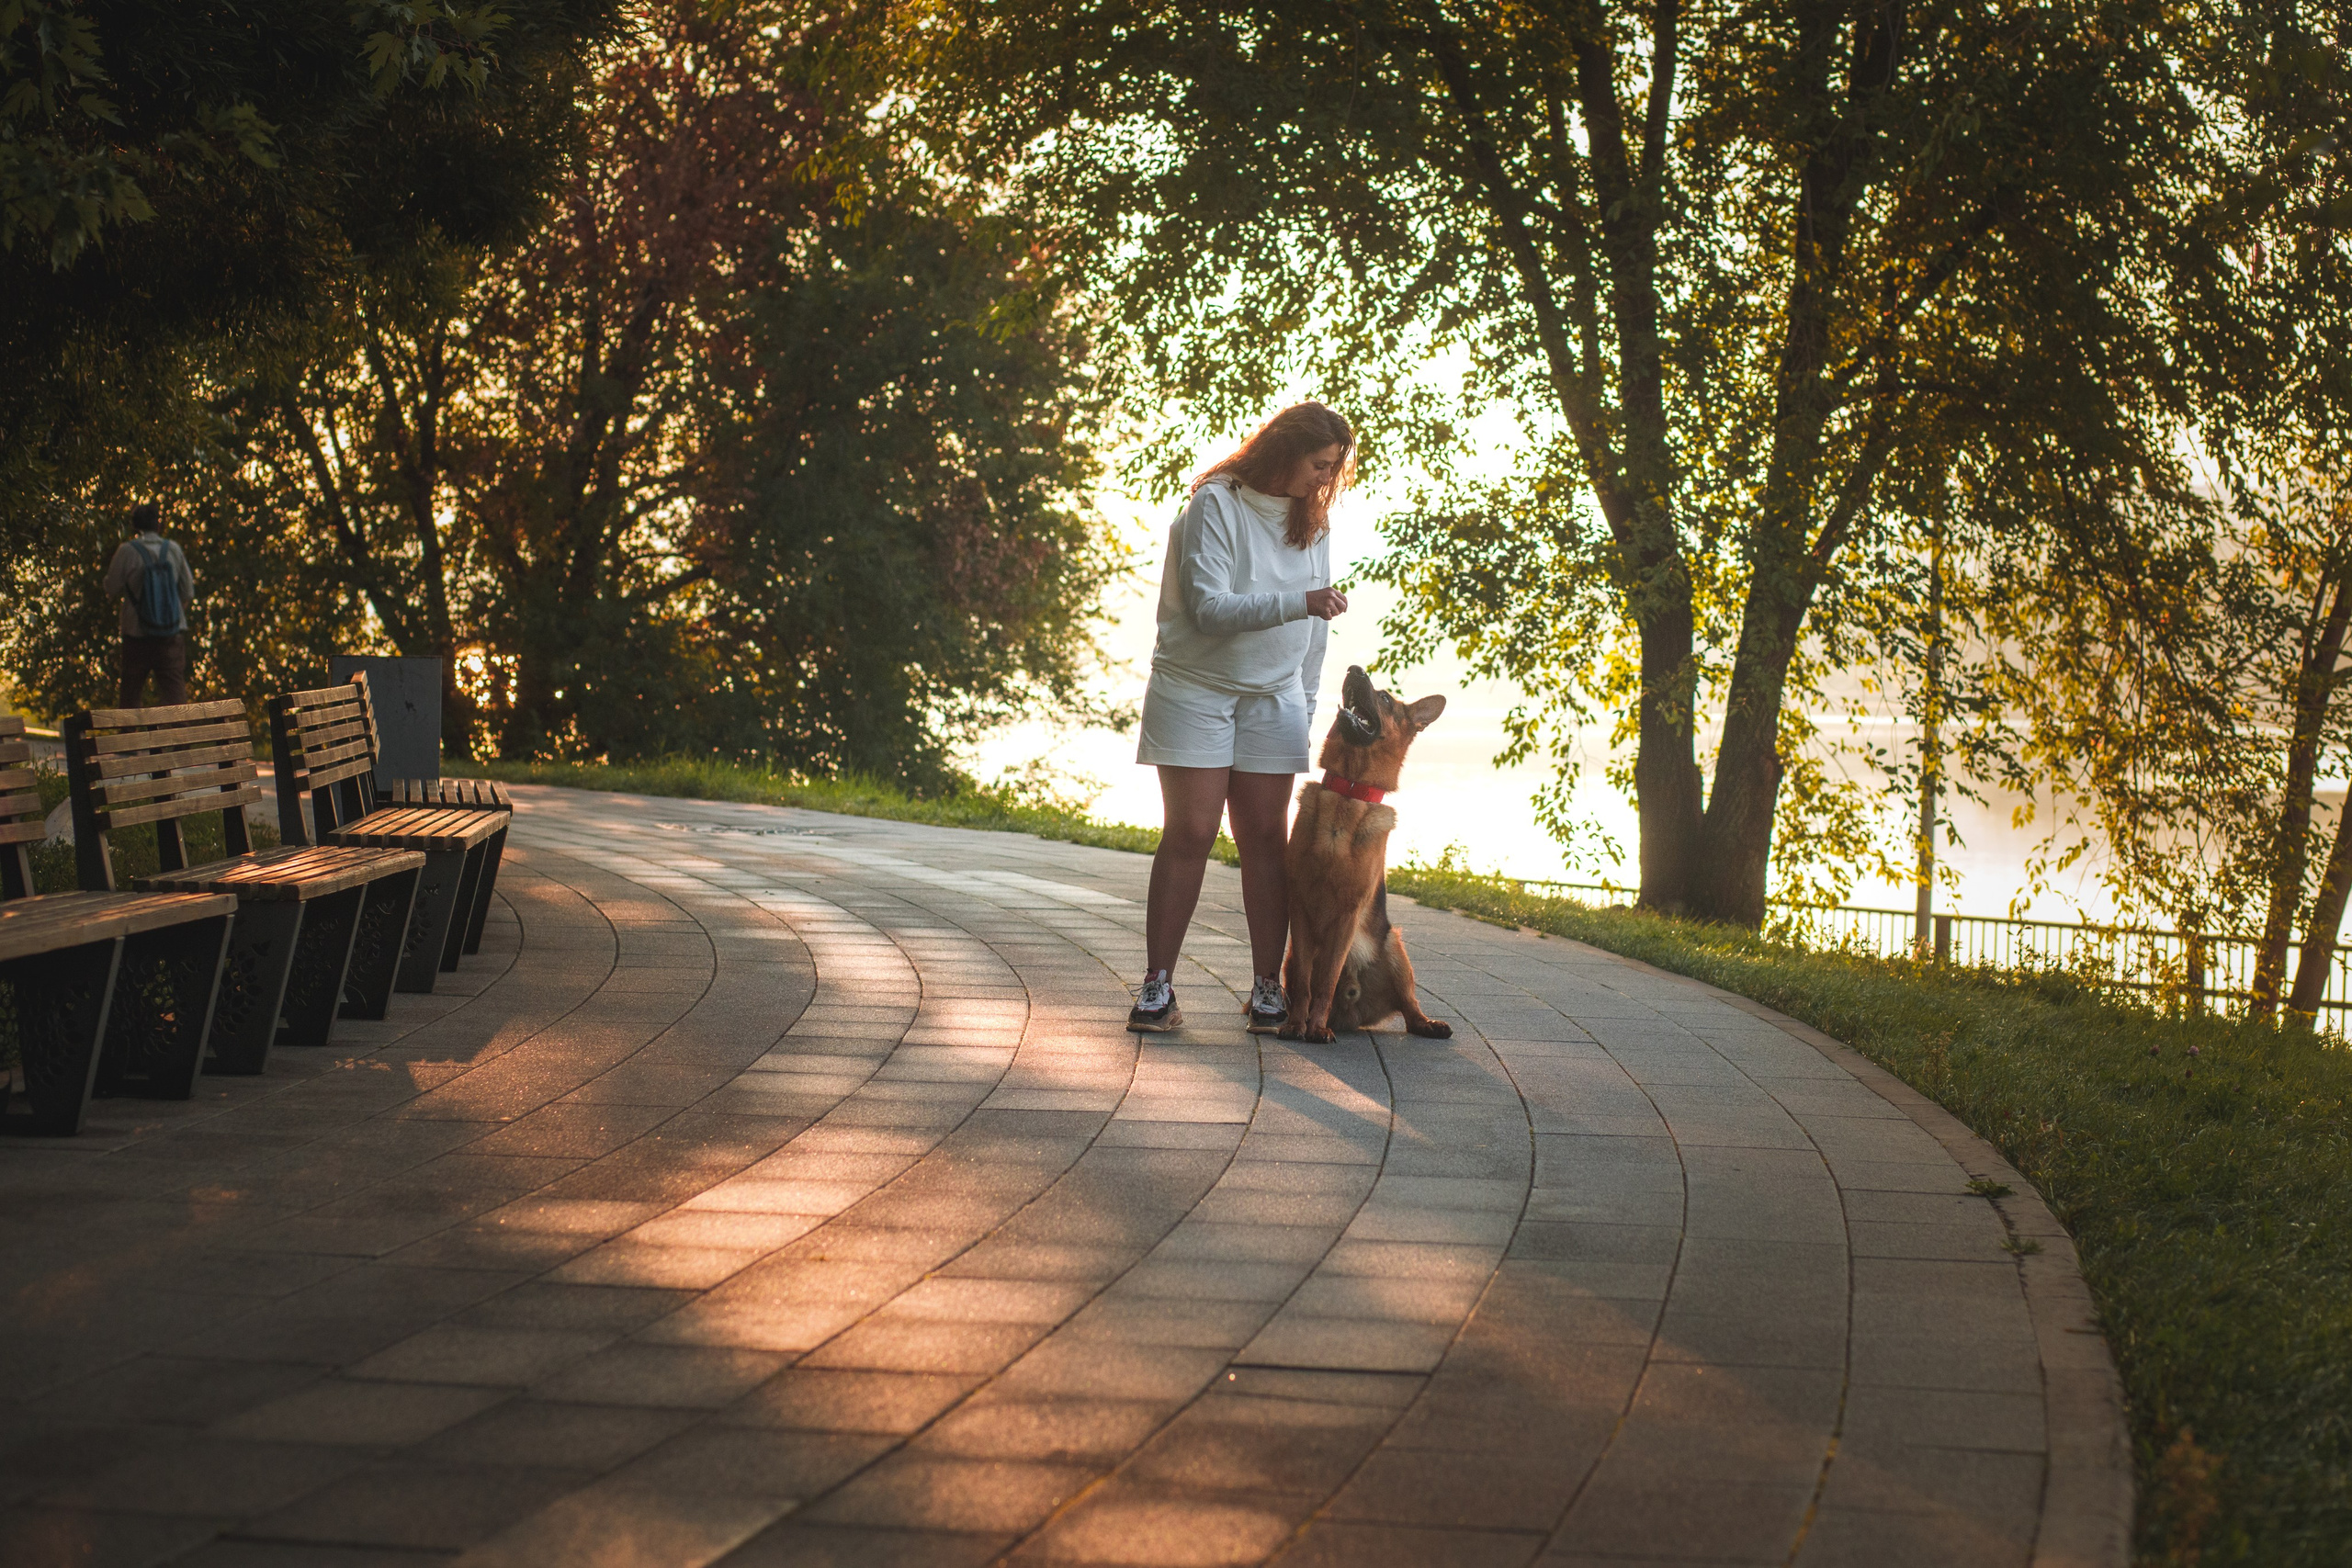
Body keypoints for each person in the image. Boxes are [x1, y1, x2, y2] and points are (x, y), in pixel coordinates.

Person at [1129, 401, 1354, 1033]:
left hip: (1274, 698)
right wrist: (1299, 601)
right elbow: (1209, 608)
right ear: (1285, 450)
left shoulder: (1313, 522)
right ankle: (1157, 987)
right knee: (1192, 831)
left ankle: (1267, 990)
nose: (1326, 478)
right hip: (1195, 689)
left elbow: (1316, 633)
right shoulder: (1217, 503)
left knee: (1264, 839)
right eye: (1320, 464)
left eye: (1333, 468)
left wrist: (1304, 706)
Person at [103, 502, 196, 707]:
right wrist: (169, 616)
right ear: (158, 525)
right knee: (175, 694)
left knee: (131, 696)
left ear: (135, 526)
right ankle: (181, 729)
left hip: (136, 635)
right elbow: (188, 592)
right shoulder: (173, 549)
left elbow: (111, 587)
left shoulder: (127, 551)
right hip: (171, 635)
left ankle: (131, 730)